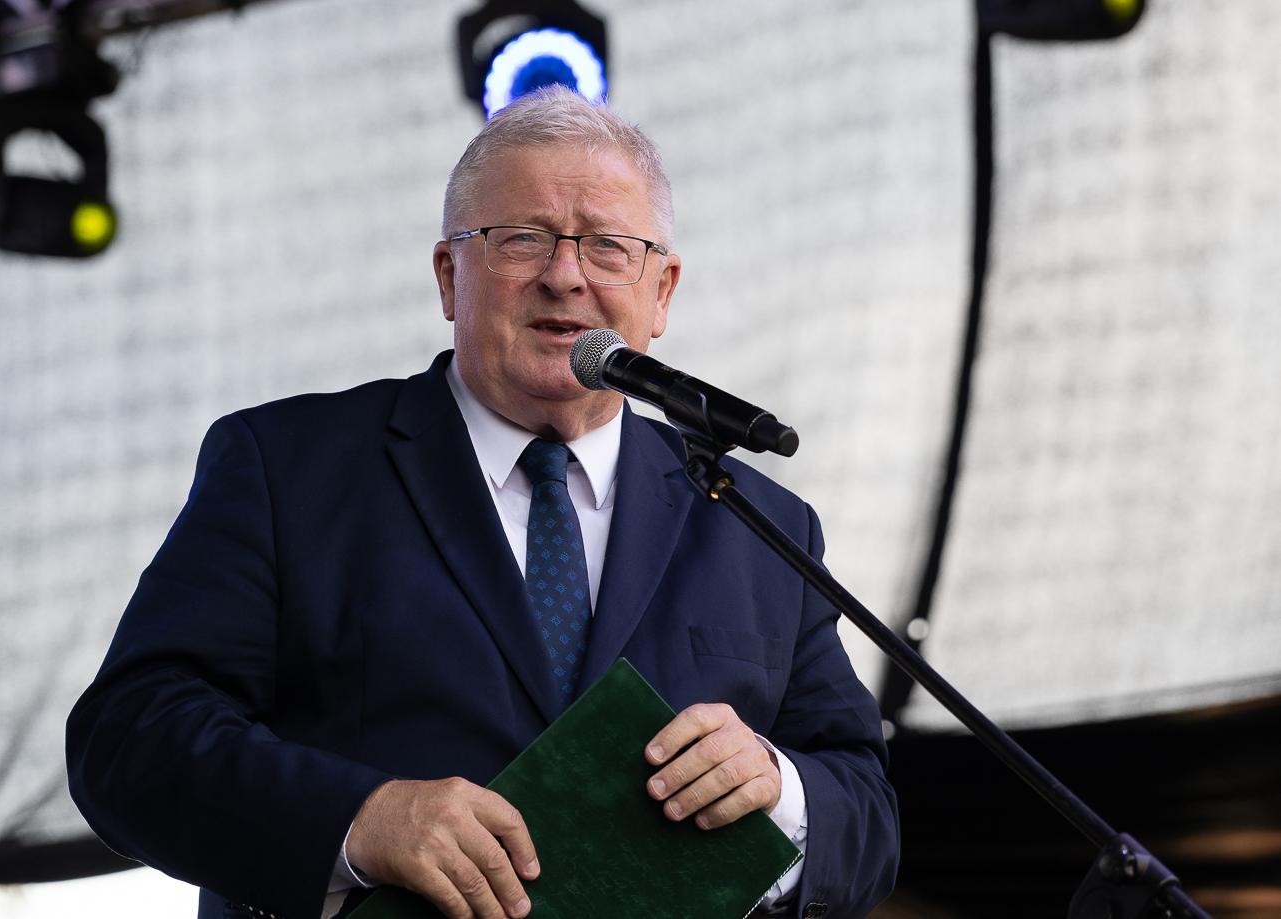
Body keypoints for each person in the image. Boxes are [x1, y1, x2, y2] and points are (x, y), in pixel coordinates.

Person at [67, 85, 899, 919]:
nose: (565, 276)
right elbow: (128, 740)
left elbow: (866, 812)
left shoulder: (759, 524)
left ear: (663, 291)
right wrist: (359, 818)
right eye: (521, 240)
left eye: (608, 247)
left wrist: (779, 786)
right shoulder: (287, 469)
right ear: (447, 275)